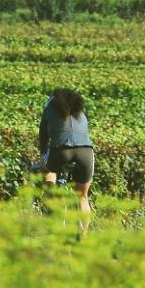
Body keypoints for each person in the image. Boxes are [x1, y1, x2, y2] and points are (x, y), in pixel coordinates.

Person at [39, 88, 94, 233]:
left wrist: (43, 154)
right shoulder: (80, 110)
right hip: (86, 151)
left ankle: (54, 198)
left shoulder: (50, 105)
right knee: (82, 196)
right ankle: (82, 240)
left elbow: (43, 133)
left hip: (60, 150)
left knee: (47, 169)